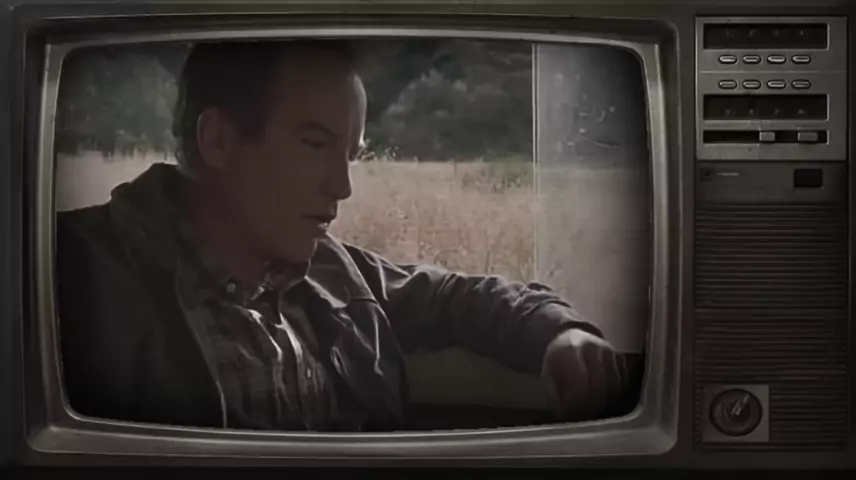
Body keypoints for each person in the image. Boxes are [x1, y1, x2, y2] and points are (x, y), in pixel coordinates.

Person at [56, 40, 628, 432]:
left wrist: (559, 331)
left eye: (351, 154)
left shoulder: (332, 274)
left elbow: (456, 296)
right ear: (219, 140)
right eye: (315, 144)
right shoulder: (76, 273)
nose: (343, 186)